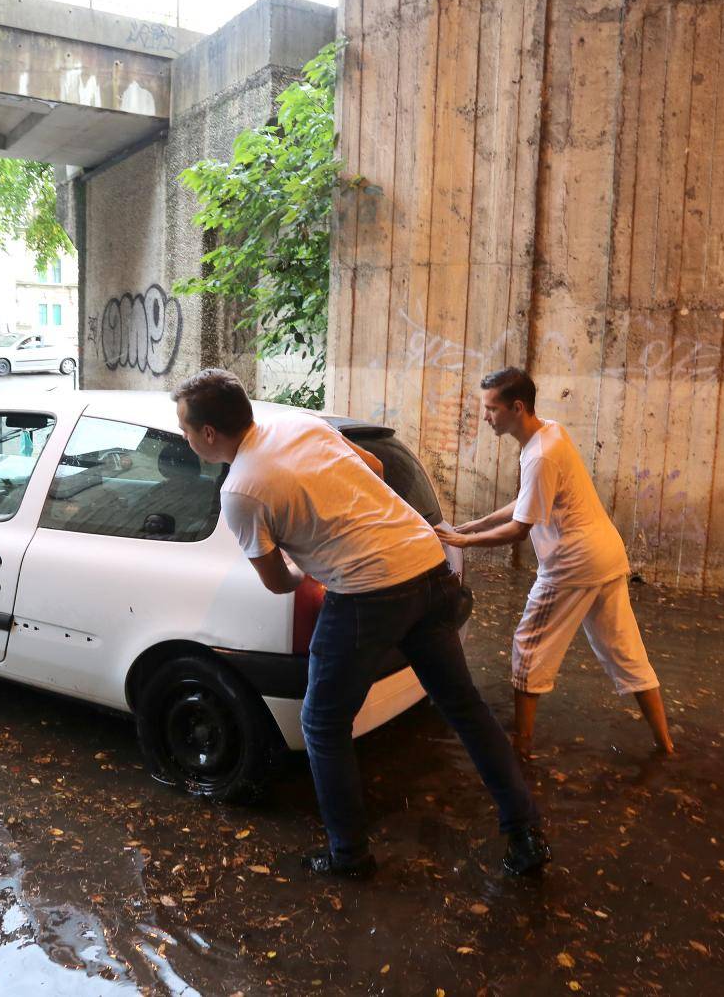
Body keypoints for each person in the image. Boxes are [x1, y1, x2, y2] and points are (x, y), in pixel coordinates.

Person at [173, 368, 549, 879]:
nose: (185, 438)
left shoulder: (241, 491)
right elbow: (372, 465)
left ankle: (349, 855)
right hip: (428, 564)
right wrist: (343, 516)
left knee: (322, 725)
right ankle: (525, 834)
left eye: (186, 430)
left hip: (368, 595)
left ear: (209, 435)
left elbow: (280, 583)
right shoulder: (299, 426)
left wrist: (314, 558)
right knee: (465, 709)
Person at [439, 367, 674, 758]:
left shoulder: (540, 456)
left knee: (529, 646)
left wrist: (466, 540)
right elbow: (529, 501)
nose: (485, 417)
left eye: (491, 408)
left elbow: (519, 528)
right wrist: (475, 524)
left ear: (516, 407)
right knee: (625, 650)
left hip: (573, 563)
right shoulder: (551, 432)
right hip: (606, 555)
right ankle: (665, 744)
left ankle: (522, 748)